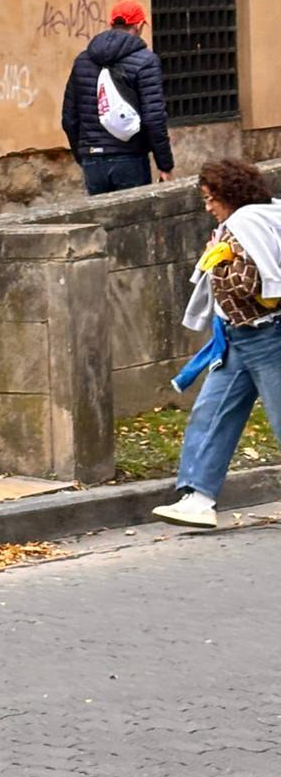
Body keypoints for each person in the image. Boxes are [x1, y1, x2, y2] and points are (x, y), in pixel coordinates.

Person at [153, 158, 281, 530]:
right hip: (238, 338)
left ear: (231, 195)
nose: (208, 207)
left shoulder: (244, 224)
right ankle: (197, 499)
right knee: (212, 413)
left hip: (263, 335)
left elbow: (252, 281)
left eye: (211, 199)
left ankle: (198, 498)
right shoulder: (268, 216)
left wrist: (223, 260)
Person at [61, 0, 174, 195]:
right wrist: (165, 164)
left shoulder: (82, 60)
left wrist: (84, 155)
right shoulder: (146, 61)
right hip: (130, 157)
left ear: (111, 23)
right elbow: (153, 118)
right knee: (135, 222)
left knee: (102, 223)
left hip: (92, 158)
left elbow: (69, 118)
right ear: (139, 25)